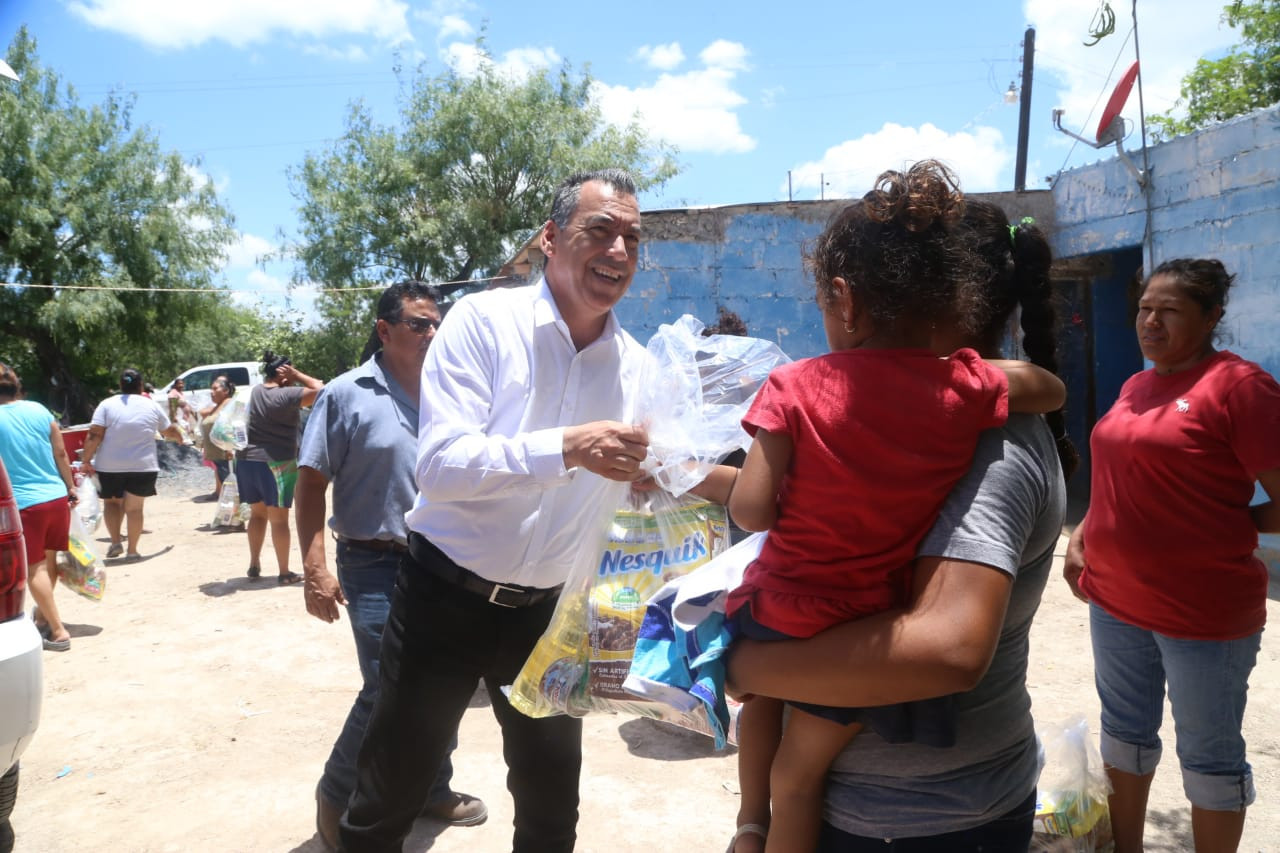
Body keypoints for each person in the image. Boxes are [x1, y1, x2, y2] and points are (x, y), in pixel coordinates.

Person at [698, 163, 1065, 853]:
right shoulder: (964, 395)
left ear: (844, 299)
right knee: (797, 775)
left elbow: (752, 511)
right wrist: (993, 376)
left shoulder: (798, 385)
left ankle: (752, 825)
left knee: (785, 769)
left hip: (920, 812)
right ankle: (754, 823)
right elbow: (1048, 385)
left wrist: (739, 665)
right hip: (868, 627)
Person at [339, 169, 652, 853]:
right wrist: (568, 447)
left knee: (550, 807)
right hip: (442, 598)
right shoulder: (484, 323)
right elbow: (442, 465)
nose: (620, 251)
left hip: (547, 617)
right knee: (389, 795)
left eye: (633, 237)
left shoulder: (636, 368)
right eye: (601, 230)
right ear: (550, 238)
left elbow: (641, 487)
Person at [1063, 258, 1280, 853]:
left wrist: (1230, 525)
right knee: (1124, 739)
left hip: (1202, 613)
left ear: (1211, 317)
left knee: (1209, 757)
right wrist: (1085, 530)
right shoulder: (1139, 383)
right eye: (1143, 308)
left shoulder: (1239, 388)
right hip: (1115, 603)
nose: (1150, 321)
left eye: (1170, 310)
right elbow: (1121, 474)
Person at [295, 281, 486, 851]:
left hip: (447, 560)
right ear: (385, 330)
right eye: (419, 324)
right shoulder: (345, 394)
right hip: (373, 562)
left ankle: (431, 788)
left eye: (437, 324)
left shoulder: (454, 392)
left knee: (444, 682)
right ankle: (337, 798)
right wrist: (314, 567)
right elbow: (310, 485)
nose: (432, 334)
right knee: (387, 688)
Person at [0, 364, 79, 651]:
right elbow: (60, 451)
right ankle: (44, 617)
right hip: (55, 497)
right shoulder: (39, 410)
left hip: (24, 506)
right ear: (16, 386)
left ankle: (58, 632)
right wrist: (70, 486)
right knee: (48, 562)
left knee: (35, 570)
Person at [236, 350, 323, 584]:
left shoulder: (254, 392)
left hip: (246, 461)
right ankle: (284, 573)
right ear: (284, 374)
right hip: (276, 463)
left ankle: (254, 563)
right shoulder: (287, 395)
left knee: (257, 515)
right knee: (279, 520)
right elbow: (321, 389)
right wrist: (298, 374)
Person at [80, 369, 184, 562]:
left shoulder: (106, 404)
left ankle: (115, 541)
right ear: (141, 385)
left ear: (120, 386)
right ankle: (133, 551)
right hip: (143, 466)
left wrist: (86, 460)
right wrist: (178, 436)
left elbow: (95, 434)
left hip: (109, 465)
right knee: (135, 509)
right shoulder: (150, 405)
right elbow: (167, 429)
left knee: (112, 503)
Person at [198, 375, 235, 501]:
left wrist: (231, 448)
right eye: (211, 389)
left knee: (232, 490)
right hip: (218, 457)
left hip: (226, 455)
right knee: (228, 490)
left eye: (215, 389)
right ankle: (232, 518)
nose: (211, 392)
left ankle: (235, 518)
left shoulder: (229, 403)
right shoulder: (217, 405)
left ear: (225, 391)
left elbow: (235, 424)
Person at [166, 377, 196, 442]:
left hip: (184, 420)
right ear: (175, 385)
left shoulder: (180, 393)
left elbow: (185, 404)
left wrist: (192, 412)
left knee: (185, 436)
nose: (181, 385)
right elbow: (172, 406)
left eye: (182, 383)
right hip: (178, 420)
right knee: (181, 438)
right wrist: (174, 418)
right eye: (179, 384)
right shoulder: (174, 393)